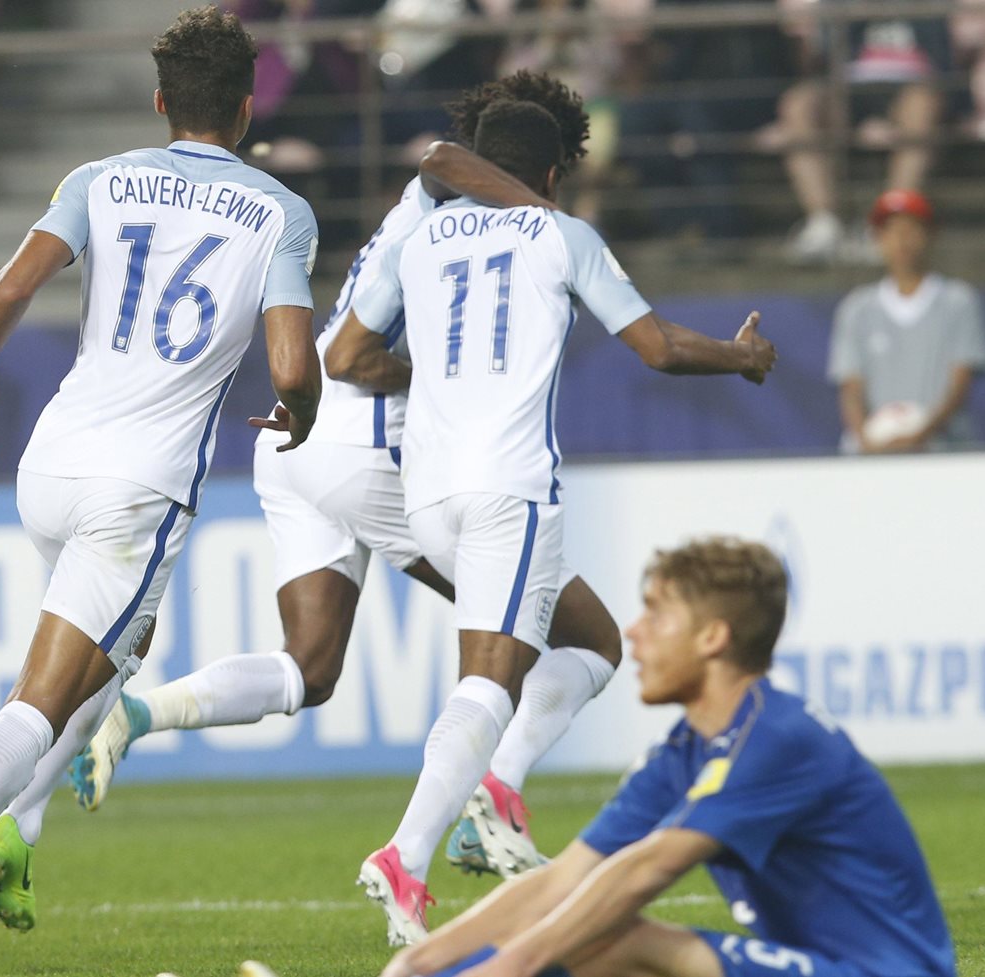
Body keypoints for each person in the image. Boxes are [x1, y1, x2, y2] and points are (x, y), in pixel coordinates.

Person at [0, 8, 321, 977]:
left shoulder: (98, 178)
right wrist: (300, 410)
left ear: (158, 103)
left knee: (123, 644)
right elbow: (290, 359)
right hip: (134, 489)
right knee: (42, 698)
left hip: (50, 462)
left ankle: (16, 831)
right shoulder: (279, 211)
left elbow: (4, 293)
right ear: (245, 107)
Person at [71, 72, 625, 903]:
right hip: (368, 442)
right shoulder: (476, 208)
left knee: (312, 666)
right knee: (575, 635)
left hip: (297, 440)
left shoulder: (429, 202)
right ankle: (490, 801)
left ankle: (139, 714)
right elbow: (367, 351)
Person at [346, 100, 775, 946]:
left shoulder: (417, 238)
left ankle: (495, 787)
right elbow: (656, 347)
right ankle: (406, 854)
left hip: (428, 495)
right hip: (508, 485)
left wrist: (435, 379)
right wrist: (742, 356)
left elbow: (347, 359)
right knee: (488, 681)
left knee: (595, 641)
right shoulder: (559, 233)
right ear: (545, 174)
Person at [377, 537, 957, 977]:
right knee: (593, 931)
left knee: (618, 939)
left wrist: (508, 967)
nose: (635, 631)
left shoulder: (778, 738)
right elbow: (566, 881)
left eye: (656, 613)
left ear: (712, 638)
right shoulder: (685, 748)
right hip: (805, 960)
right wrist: (420, 962)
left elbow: (645, 871)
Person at [775, 2, 954, 264]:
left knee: (923, 105)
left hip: (910, 86)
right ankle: (824, 223)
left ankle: (890, 222)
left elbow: (943, 64)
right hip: (848, 88)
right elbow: (824, 59)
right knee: (798, 105)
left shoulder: (927, 6)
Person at [828, 188, 985, 453]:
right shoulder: (856, 308)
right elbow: (851, 388)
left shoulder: (958, 302)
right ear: (878, 238)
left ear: (930, 234)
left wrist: (920, 436)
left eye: (912, 229)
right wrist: (866, 441)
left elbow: (960, 384)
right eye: (891, 230)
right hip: (873, 453)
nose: (902, 240)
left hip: (942, 450)